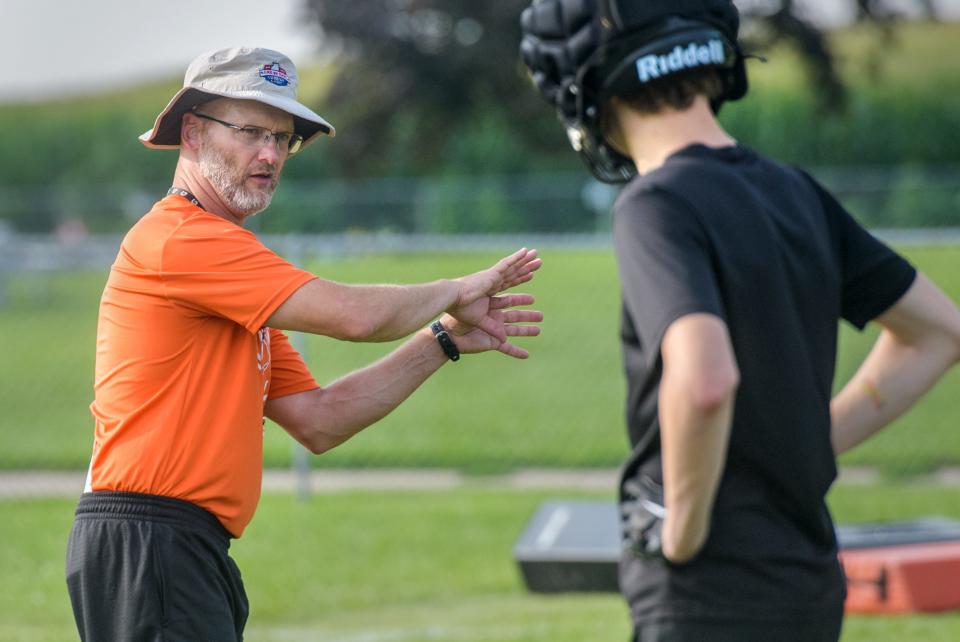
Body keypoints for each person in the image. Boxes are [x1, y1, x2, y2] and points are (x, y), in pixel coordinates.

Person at [65, 46, 543, 641]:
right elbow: (353, 317)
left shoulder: (228, 276)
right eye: (250, 132)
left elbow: (319, 420)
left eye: (282, 138)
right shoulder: (182, 239)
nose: (269, 154)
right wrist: (457, 289)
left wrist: (442, 339)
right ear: (192, 132)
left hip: (178, 545)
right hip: (152, 541)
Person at [520, 2, 960, 640]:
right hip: (807, 581)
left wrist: (682, 529)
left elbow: (704, 380)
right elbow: (939, 332)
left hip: (710, 594)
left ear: (583, 88)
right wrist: (813, 438)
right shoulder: (793, 190)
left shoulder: (653, 204)